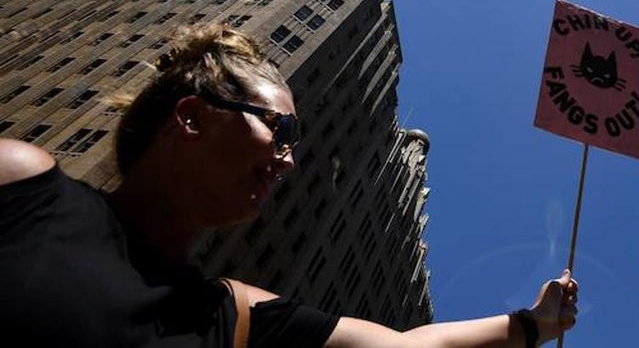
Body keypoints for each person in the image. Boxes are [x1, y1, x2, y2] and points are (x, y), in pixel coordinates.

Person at [0, 23, 578, 347]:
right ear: (193, 117)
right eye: (281, 129)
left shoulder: (231, 315)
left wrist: (536, 322)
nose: (288, 160)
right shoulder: (25, 185)